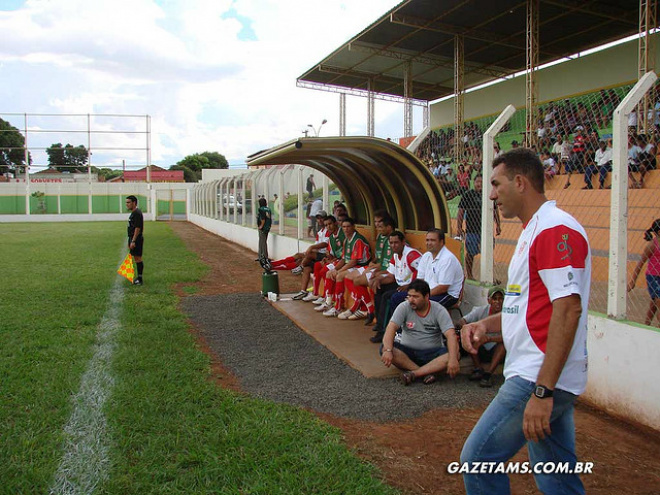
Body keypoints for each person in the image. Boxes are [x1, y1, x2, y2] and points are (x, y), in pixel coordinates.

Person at [460, 148, 591, 495]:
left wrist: (543, 391)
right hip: (540, 374)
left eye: (495, 184)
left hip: (539, 376)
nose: (490, 194)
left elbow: (568, 310)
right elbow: (525, 311)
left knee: (477, 462)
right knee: (557, 476)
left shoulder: (554, 229)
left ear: (519, 182)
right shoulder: (533, 231)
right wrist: (484, 326)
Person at [380, 279, 460, 386]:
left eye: (416, 297)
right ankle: (425, 372)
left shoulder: (439, 310)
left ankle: (414, 374)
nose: (411, 300)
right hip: (408, 354)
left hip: (432, 354)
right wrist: (389, 350)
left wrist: (453, 359)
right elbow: (391, 328)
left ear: (427, 297)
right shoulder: (404, 307)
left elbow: (451, 335)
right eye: (409, 296)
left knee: (455, 354)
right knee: (384, 348)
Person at [390, 228, 464, 313]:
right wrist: (414, 294)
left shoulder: (448, 259)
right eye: (427, 240)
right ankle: (399, 326)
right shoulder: (426, 256)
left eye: (432, 240)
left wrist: (420, 296)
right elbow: (420, 280)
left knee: (417, 303)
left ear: (441, 242)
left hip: (448, 295)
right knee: (396, 297)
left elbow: (443, 288)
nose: (429, 243)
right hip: (427, 292)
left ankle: (417, 326)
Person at [369, 230, 422, 343]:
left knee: (388, 296)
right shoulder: (395, 256)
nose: (393, 245)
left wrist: (409, 286)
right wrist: (379, 279)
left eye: (396, 242)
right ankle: (380, 324)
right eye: (391, 243)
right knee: (379, 288)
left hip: (414, 288)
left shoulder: (412, 255)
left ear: (403, 242)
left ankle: (385, 331)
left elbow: (423, 274)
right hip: (400, 284)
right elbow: (391, 277)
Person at [344, 211, 396, 322]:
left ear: (388, 226)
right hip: (376, 266)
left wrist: (375, 267)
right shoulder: (381, 237)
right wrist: (372, 262)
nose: (377, 227)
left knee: (359, 280)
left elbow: (388, 263)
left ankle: (369, 309)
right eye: (376, 222)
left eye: (380, 224)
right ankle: (367, 308)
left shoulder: (394, 240)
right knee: (349, 277)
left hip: (384, 270)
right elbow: (379, 256)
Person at [455, 286, 506, 388]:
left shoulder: (507, 315)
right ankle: (478, 368)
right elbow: (462, 321)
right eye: (495, 299)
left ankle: (488, 374)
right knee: (471, 336)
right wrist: (467, 329)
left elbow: (509, 336)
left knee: (504, 344)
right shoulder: (480, 310)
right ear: (489, 300)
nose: (498, 301)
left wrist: (488, 339)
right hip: (480, 349)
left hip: (496, 351)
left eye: (500, 299)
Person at [322, 218, 371, 318]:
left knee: (340, 275)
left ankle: (340, 307)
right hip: (354, 265)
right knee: (330, 272)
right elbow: (344, 259)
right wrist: (335, 269)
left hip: (363, 265)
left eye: (348, 226)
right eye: (344, 227)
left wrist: (339, 271)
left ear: (353, 227)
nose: (346, 229)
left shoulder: (357, 240)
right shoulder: (346, 240)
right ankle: (330, 302)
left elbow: (353, 261)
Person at [456, 174, 502, 280]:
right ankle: (470, 275)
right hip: (471, 229)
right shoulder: (468, 195)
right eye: (477, 182)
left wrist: (498, 225)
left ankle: (490, 277)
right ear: (474, 182)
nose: (479, 184)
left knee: (488, 253)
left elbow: (495, 211)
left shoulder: (489, 195)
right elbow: (461, 211)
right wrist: (459, 227)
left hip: (487, 230)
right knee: (470, 254)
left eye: (482, 182)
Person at [627, 219, 660, 326]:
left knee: (654, 304)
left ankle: (646, 324)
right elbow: (640, 264)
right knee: (658, 301)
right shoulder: (652, 246)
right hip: (653, 277)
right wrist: (633, 281)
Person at [126, 195, 144, 285]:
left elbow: (137, 228)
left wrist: (133, 241)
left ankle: (140, 279)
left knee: (138, 258)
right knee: (136, 258)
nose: (127, 204)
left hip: (136, 239)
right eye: (126, 202)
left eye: (128, 202)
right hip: (133, 238)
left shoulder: (137, 213)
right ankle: (138, 278)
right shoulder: (134, 212)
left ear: (134, 203)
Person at [256, 197, 272, 268]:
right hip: (267, 227)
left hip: (263, 228)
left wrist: (261, 226)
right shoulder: (268, 209)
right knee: (262, 241)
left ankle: (265, 257)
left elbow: (263, 219)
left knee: (263, 242)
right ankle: (260, 256)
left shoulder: (261, 209)